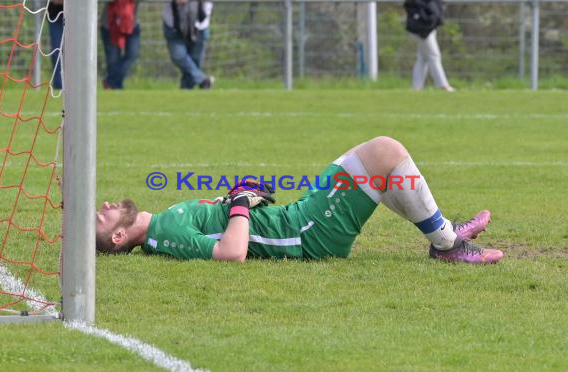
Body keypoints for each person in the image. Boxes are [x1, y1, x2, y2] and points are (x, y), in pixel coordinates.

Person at [96, 136, 503, 264]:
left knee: (377, 168)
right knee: (383, 153)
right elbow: (230, 253)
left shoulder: (161, 224)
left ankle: (444, 236)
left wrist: (242, 198)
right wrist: (240, 202)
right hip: (307, 233)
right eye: (102, 216)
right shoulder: (161, 233)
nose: (106, 205)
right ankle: (446, 243)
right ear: (117, 238)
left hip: (297, 219)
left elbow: (218, 219)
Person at [404, 0, 455, 92]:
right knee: (434, 56)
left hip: (427, 27)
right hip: (423, 28)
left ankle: (416, 87)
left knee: (422, 58)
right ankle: (443, 85)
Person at [162, 0, 214, 90]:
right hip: (173, 25)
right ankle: (202, 80)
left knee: (195, 60)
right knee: (178, 56)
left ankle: (186, 92)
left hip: (200, 25)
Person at [100, 0, 141, 89]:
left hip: (131, 22)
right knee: (113, 60)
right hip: (110, 24)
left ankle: (110, 81)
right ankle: (116, 87)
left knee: (132, 54)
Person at [47, 0, 63, 90]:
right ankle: (58, 86)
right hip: (55, 15)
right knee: (57, 51)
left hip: (77, 16)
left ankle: (75, 83)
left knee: (74, 52)